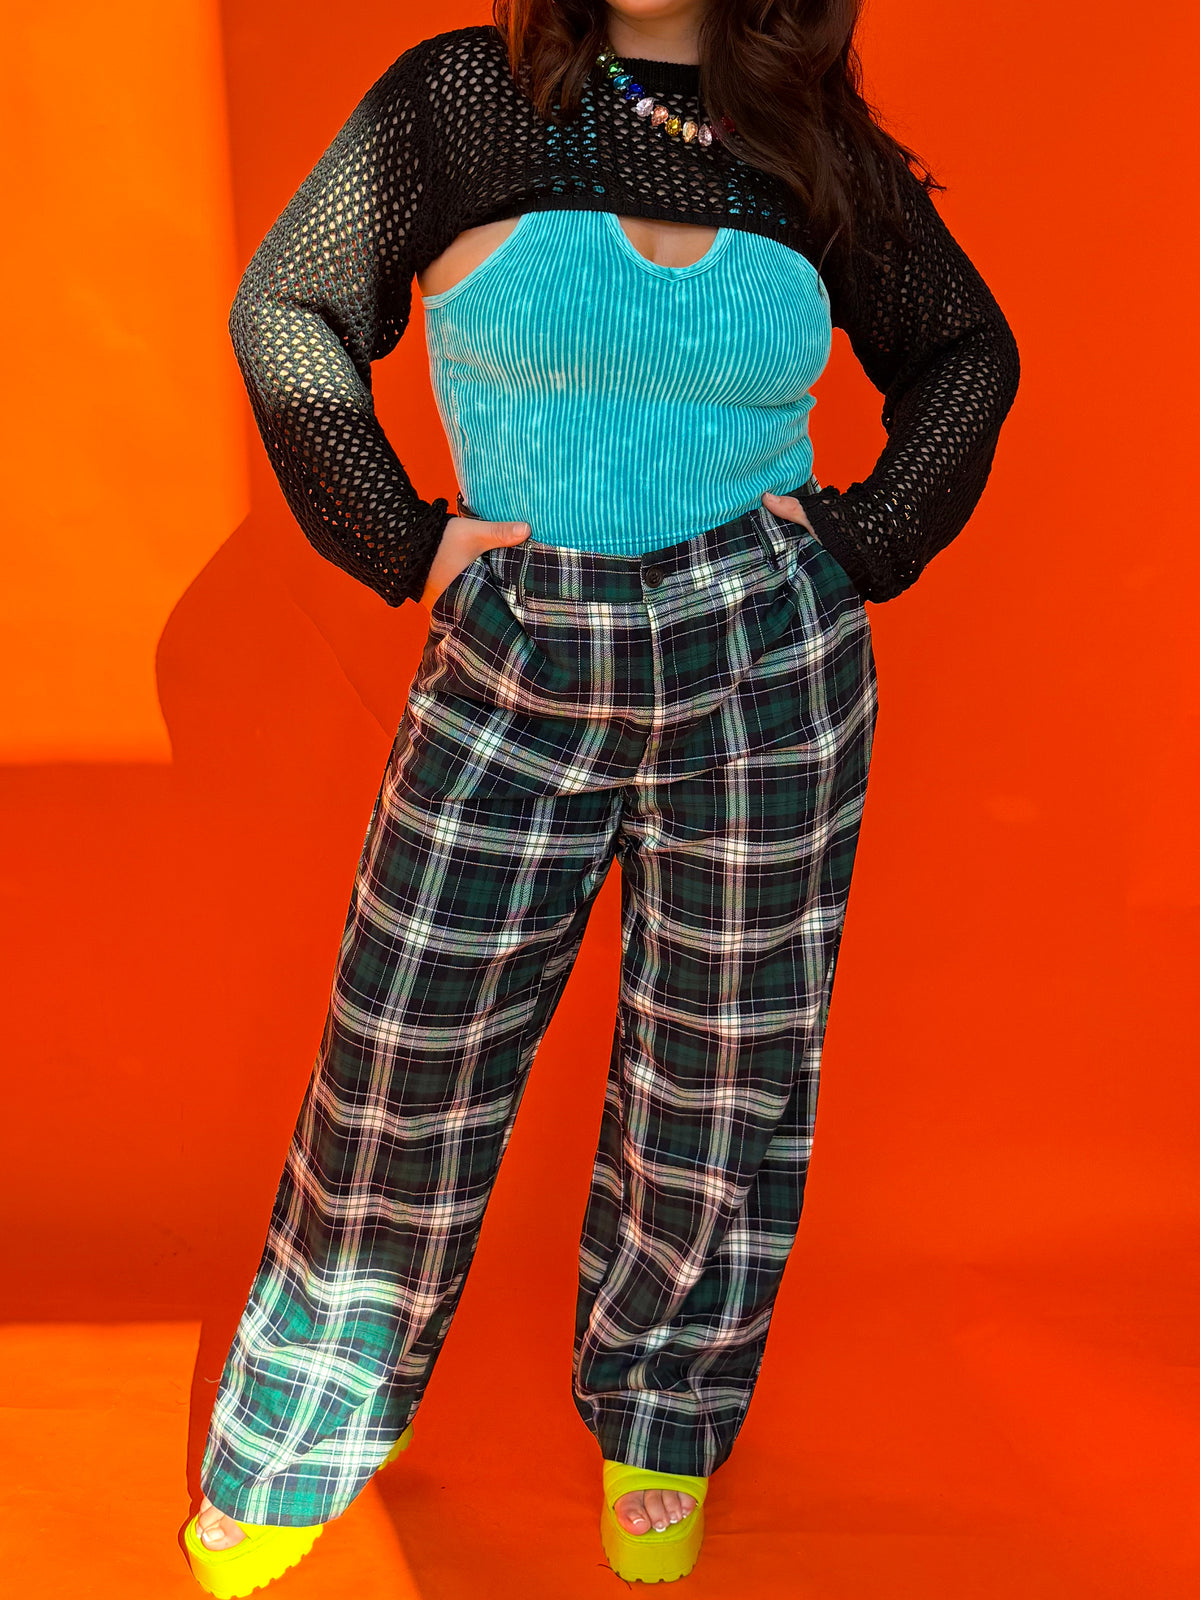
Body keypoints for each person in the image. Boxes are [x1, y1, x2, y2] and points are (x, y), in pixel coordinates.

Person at [183, 0, 1020, 1589]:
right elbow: (285, 307)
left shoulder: (807, 133)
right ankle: (291, 1442)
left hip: (767, 666)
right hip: (518, 650)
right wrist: (403, 541)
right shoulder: (463, 99)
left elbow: (970, 351)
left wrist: (866, 541)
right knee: (406, 1061)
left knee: (722, 1066)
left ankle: (664, 1418)